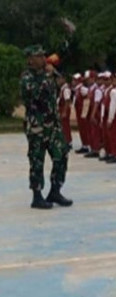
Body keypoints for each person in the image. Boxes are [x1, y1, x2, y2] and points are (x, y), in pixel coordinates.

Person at [19, 45, 72, 209]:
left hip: (53, 125)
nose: (43, 59)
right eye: (39, 56)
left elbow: (59, 84)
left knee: (62, 154)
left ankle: (55, 190)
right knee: (37, 160)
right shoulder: (27, 77)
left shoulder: (48, 74)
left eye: (43, 56)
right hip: (37, 126)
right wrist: (46, 76)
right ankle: (37, 195)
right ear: (30, 59)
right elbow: (36, 95)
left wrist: (53, 75)